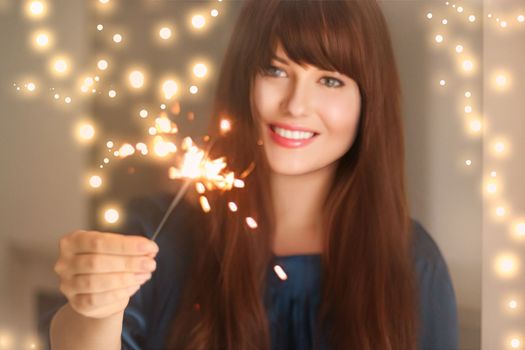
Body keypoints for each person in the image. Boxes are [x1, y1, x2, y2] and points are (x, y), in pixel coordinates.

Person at [49, 0, 459, 349]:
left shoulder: (413, 262)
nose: (296, 105)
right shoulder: (161, 232)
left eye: (330, 80)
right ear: (244, 78)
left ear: (368, 104)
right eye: (276, 71)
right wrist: (92, 309)